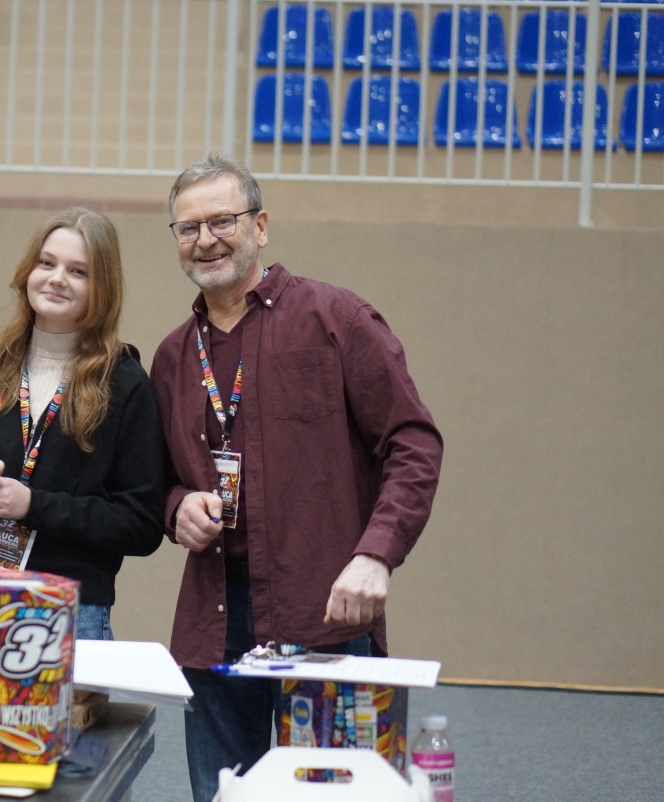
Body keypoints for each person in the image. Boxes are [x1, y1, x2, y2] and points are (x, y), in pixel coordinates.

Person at [150, 154, 444, 802]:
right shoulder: (173, 356)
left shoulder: (337, 320)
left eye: (222, 221)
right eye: (188, 227)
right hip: (215, 626)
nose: (205, 239)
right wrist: (176, 508)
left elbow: (413, 443)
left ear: (260, 226)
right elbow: (158, 482)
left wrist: (375, 555)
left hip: (323, 613)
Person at [0, 207, 165, 641]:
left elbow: (141, 524)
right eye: (46, 263)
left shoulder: (124, 382)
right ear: (28, 271)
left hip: (69, 609)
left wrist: (33, 505)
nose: (57, 278)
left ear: (102, 287)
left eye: (78, 271)